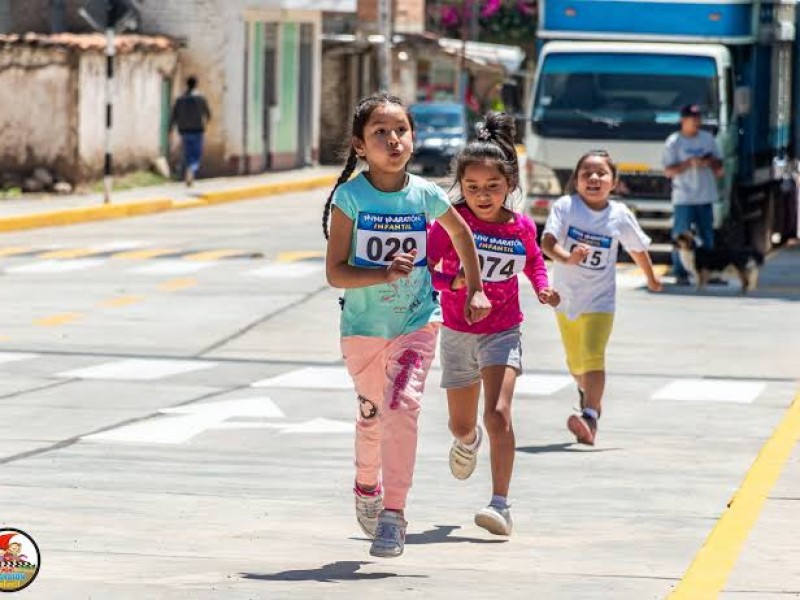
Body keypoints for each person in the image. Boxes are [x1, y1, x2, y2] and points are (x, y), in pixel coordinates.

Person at [323, 92, 492, 558]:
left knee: (404, 406)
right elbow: (335, 271)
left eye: (401, 130)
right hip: (362, 328)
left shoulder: (427, 194)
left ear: (413, 140)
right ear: (360, 146)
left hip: (418, 322)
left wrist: (476, 288)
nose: (393, 139)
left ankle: (394, 515)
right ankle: (366, 486)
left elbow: (462, 234)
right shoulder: (350, 197)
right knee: (373, 415)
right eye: (380, 132)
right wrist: (381, 274)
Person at [427, 112, 560, 536]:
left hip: (503, 331)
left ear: (510, 186)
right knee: (461, 425)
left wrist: (542, 288)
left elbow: (535, 260)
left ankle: (500, 504)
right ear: (460, 187)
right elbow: (425, 269)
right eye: (473, 188)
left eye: (493, 187)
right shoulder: (450, 222)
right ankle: (467, 443)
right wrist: (455, 281)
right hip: (457, 332)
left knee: (498, 414)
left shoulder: (519, 225)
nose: (483, 196)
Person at [542, 150, 662, 446]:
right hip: (566, 299)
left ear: (614, 182)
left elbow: (636, 248)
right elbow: (547, 242)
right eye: (586, 174)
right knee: (576, 365)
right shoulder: (566, 207)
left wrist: (650, 277)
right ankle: (587, 396)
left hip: (600, 300)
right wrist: (567, 259)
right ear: (576, 180)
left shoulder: (619, 215)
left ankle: (590, 417)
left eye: (601, 174)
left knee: (594, 355)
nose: (593, 178)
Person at [663, 104, 724, 284]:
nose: (696, 122)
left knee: (706, 235)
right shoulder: (674, 142)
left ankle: (709, 271)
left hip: (705, 195)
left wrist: (709, 162)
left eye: (698, 119)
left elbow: (720, 166)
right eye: (692, 119)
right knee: (681, 235)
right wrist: (688, 163)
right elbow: (668, 171)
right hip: (684, 196)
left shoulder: (707, 139)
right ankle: (680, 272)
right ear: (683, 120)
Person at [170, 76, 212, 187]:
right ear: (196, 84)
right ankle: (191, 169)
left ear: (187, 84)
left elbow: (174, 115)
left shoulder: (179, 99)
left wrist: (170, 129)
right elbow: (208, 114)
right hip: (197, 130)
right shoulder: (201, 98)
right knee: (196, 154)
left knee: (187, 153)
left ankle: (187, 169)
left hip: (184, 131)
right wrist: (205, 123)